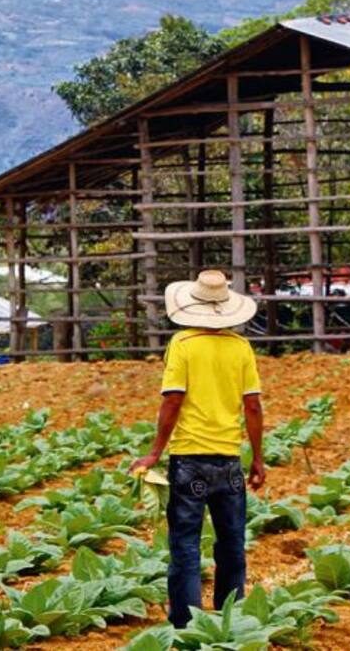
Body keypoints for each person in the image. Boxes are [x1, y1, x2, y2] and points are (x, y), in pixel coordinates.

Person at [128, 269, 264, 628]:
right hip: (229, 461)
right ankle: (229, 619)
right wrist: (259, 459)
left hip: (189, 460)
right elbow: (252, 406)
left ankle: (187, 627)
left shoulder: (183, 344)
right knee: (232, 544)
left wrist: (156, 452)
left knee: (186, 546)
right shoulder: (241, 347)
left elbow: (173, 400)